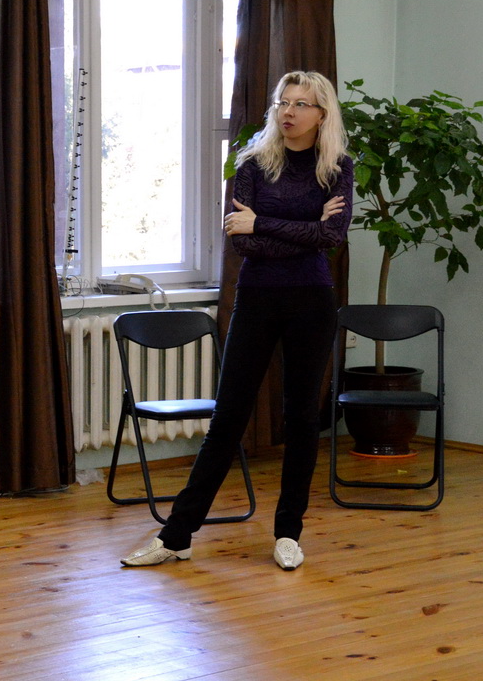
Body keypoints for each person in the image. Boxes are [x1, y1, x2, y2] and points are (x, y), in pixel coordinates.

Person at [120, 69, 352, 572]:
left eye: (301, 104)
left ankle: (288, 533)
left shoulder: (336, 168)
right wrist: (304, 228)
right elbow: (243, 242)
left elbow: (331, 238)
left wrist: (265, 222)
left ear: (321, 114)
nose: (288, 112)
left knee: (302, 420)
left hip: (312, 302)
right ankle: (177, 536)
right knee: (227, 420)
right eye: (283, 102)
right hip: (257, 299)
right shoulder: (252, 164)